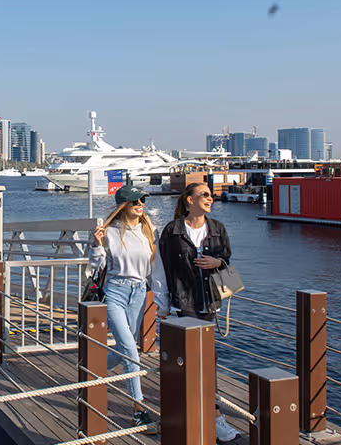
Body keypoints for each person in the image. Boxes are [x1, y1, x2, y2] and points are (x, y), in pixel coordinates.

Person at [158, 182, 239, 443]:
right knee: (188, 362)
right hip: (183, 305)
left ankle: (212, 417)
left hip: (210, 305)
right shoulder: (172, 231)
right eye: (204, 194)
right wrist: (163, 305)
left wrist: (219, 262)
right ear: (190, 200)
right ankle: (193, 416)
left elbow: (227, 260)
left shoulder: (217, 228)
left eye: (210, 195)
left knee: (207, 361)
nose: (210, 198)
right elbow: (162, 269)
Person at [89, 185, 169, 435]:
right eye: (135, 200)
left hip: (139, 293)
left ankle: (96, 367)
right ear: (124, 205)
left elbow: (157, 269)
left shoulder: (149, 231)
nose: (141, 203)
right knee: (131, 351)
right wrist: (95, 244)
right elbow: (95, 265)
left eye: (142, 199)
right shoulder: (110, 232)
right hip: (115, 291)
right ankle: (138, 409)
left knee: (127, 345)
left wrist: (161, 300)